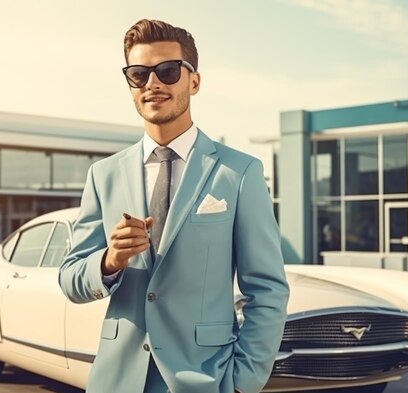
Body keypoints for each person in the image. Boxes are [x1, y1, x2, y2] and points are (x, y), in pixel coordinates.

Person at [59, 19, 289, 393]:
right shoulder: (104, 174)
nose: (153, 83)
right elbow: (70, 279)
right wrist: (109, 261)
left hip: (205, 379)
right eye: (139, 74)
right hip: (118, 381)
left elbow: (267, 289)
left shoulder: (240, 172)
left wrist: (243, 381)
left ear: (193, 81)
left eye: (167, 71)